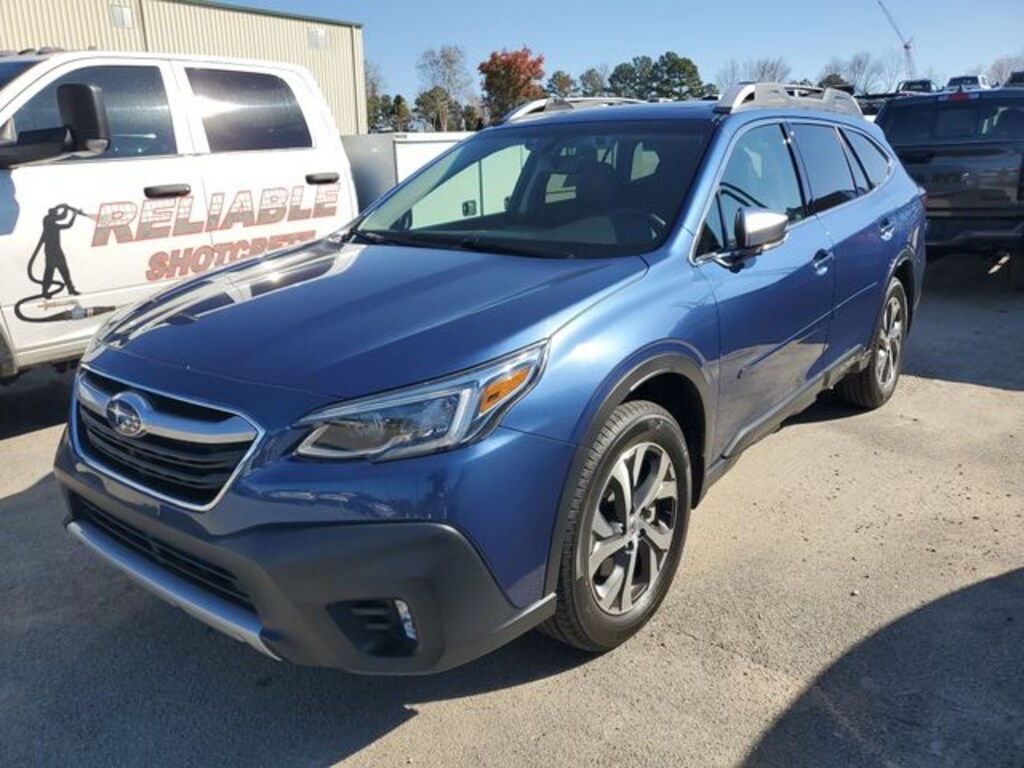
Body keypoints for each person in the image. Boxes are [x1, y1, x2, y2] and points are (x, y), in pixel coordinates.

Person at [39, 204, 79, 298]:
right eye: (55, 214)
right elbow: (64, 219)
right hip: (50, 252)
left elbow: (65, 221)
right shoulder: (48, 220)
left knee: (65, 271)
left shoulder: (53, 224)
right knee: (49, 273)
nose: (57, 216)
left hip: (57, 251)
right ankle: (45, 291)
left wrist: (71, 213)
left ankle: (71, 289)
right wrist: (68, 210)